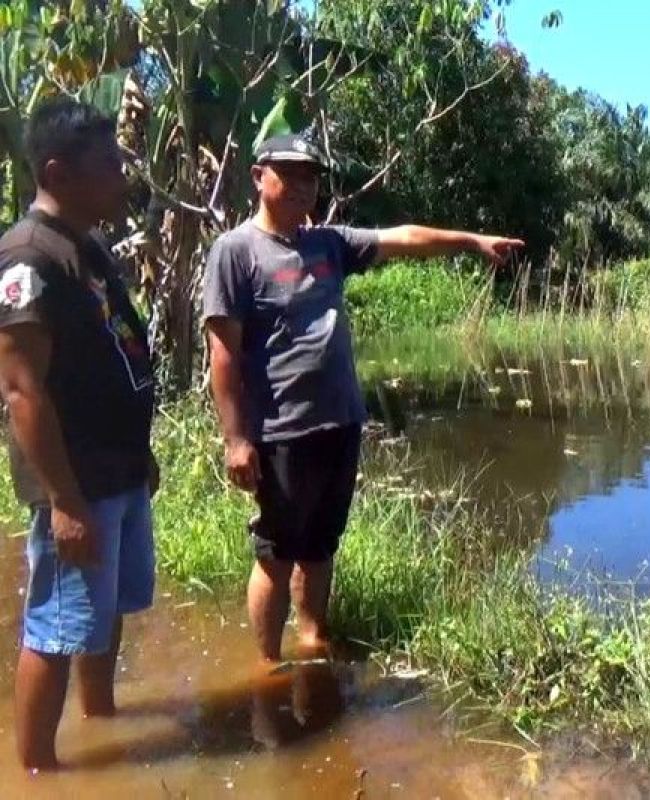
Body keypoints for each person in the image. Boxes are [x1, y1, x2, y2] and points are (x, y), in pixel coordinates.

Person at [202, 134, 522, 666]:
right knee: (277, 554)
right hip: (282, 432)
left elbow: (402, 238)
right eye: (291, 172)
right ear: (260, 176)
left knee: (321, 546)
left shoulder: (329, 244)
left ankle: (312, 644)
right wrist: (236, 439)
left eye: (312, 175)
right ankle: (265, 666)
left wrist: (471, 240)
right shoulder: (235, 252)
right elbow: (224, 354)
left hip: (340, 422)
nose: (304, 184)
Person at [0, 98, 157, 770]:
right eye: (109, 166)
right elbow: (21, 389)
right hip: (77, 482)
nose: (121, 177)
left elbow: (116, 352)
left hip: (117, 469)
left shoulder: (87, 247)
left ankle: (101, 721)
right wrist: (63, 500)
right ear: (59, 172)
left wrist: (139, 450)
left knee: (105, 610)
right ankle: (36, 771)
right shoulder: (28, 255)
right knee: (56, 628)